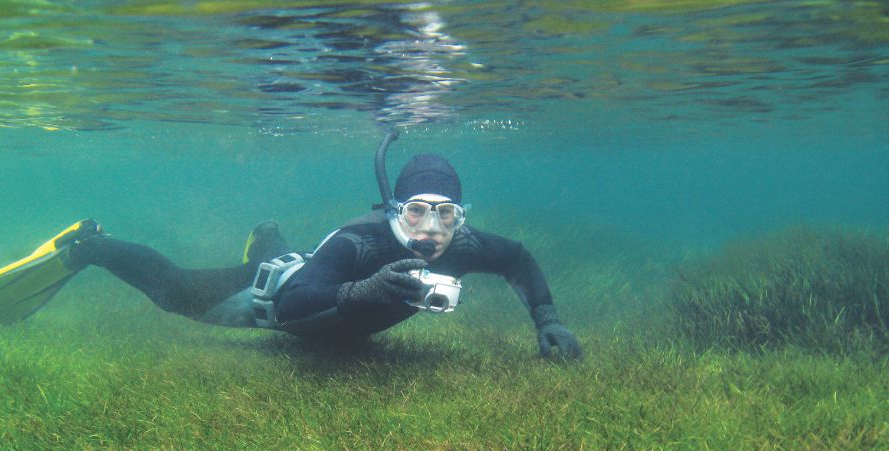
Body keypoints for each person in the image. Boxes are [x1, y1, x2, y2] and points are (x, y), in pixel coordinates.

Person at [68, 137, 583, 360]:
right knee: (174, 290)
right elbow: (293, 307)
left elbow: (516, 258)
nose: (432, 229)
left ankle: (268, 239)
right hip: (271, 302)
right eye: (416, 212)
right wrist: (362, 290)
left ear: (460, 216)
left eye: (446, 213)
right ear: (392, 210)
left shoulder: (463, 244)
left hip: (324, 307)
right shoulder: (357, 241)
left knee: (282, 257)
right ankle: (92, 245)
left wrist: (548, 320)